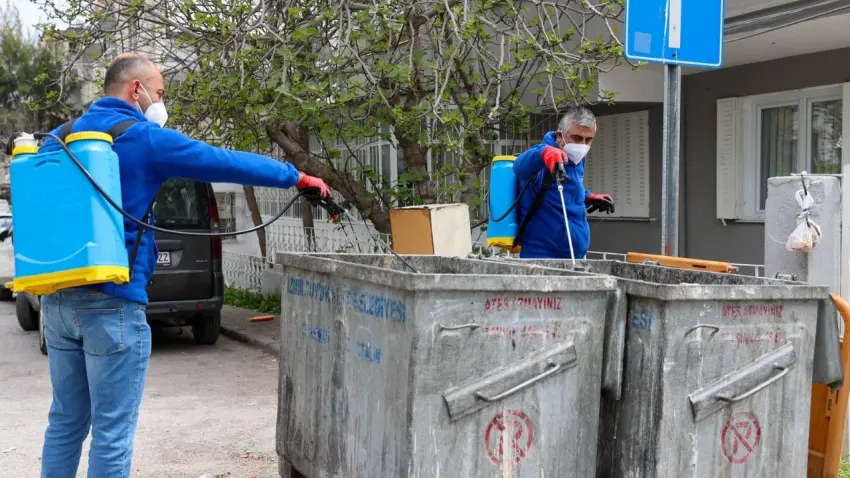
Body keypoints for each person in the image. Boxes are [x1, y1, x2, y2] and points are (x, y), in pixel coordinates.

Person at [35, 53, 330, 478]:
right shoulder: (144, 138)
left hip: (60, 303)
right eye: (158, 92)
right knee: (112, 432)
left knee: (65, 422)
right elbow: (225, 161)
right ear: (135, 89)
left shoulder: (58, 138)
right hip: (113, 306)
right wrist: (297, 178)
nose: (160, 101)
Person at [512, 106, 614, 259]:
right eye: (577, 138)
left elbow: (564, 192)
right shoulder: (543, 157)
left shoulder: (577, 161)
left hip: (575, 256)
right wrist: (544, 153)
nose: (583, 145)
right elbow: (520, 167)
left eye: (588, 140)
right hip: (542, 256)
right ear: (560, 136)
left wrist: (588, 197)